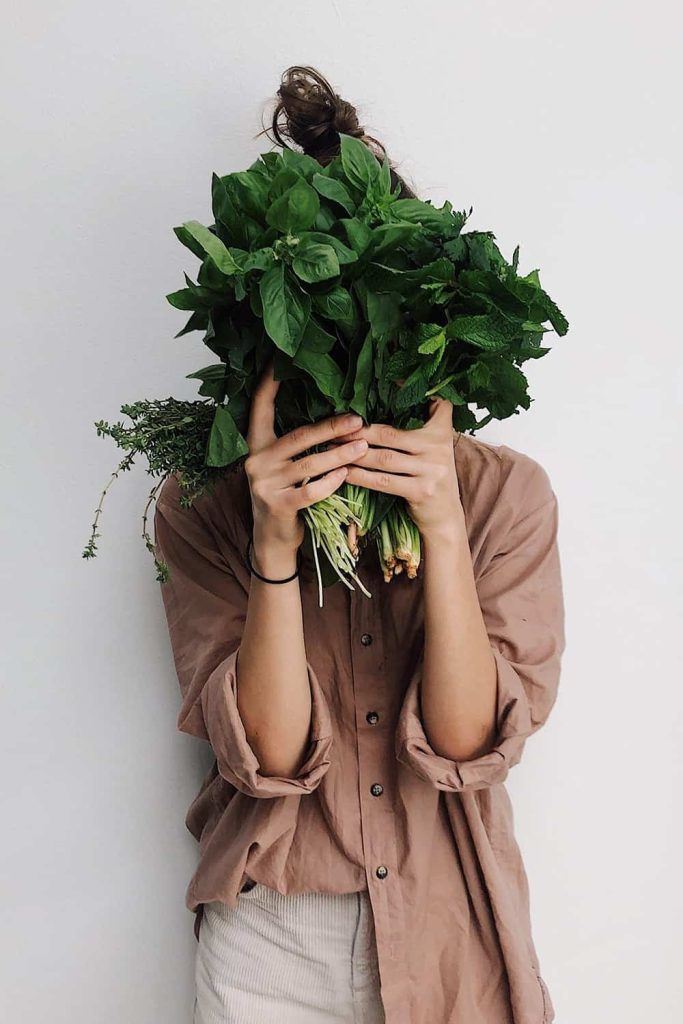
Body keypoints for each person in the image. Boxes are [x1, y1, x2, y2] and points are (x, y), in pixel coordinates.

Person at [153, 66, 566, 1024]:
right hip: (272, 936)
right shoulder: (205, 502)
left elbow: (467, 746)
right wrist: (273, 544)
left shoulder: (502, 494)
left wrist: (442, 529)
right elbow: (267, 755)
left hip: (450, 922)